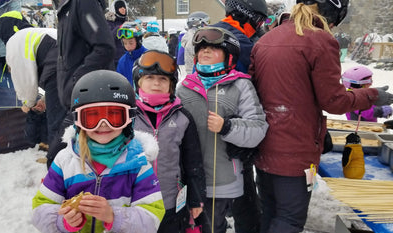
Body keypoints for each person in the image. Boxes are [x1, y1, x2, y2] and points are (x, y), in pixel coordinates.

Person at [249, 1, 393, 232]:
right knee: (289, 219)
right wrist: (371, 95)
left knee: (270, 212)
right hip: (294, 150)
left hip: (265, 145)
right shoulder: (320, 40)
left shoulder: (267, 39)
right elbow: (334, 101)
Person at [31, 70, 165, 233]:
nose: (103, 124)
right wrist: (65, 222)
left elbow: (152, 218)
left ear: (129, 119)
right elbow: (40, 210)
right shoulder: (65, 161)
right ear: (78, 122)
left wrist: (113, 216)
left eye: (114, 116)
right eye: (92, 117)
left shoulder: (137, 163)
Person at [177, 26, 268, 233]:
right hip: (186, 181)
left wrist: (227, 127)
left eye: (213, 48)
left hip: (221, 182)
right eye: (201, 49)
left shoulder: (240, 86)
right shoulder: (184, 87)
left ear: (228, 56)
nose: (205, 51)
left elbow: (258, 128)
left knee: (211, 228)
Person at [132, 50, 206, 232]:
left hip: (171, 202)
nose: (156, 83)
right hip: (135, 201)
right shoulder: (128, 115)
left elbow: (192, 162)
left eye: (163, 79)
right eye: (149, 77)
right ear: (139, 81)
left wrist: (195, 198)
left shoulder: (182, 117)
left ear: (171, 85)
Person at [48, 0, 115, 169]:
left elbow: (104, 47)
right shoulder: (65, 9)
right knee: (68, 162)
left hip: (87, 99)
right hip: (74, 100)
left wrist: (76, 81)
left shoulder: (84, 3)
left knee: (56, 158)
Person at [0, 11, 67, 154]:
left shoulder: (15, 40)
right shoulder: (35, 33)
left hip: (60, 68)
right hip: (74, 65)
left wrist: (28, 102)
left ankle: (57, 166)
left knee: (57, 124)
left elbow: (25, 76)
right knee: (70, 116)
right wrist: (46, 99)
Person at [105, 0, 128, 67]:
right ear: (115, 9)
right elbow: (109, 37)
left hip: (126, 57)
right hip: (114, 59)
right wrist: (120, 28)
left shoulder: (127, 21)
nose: (123, 9)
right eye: (120, 7)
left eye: (124, 7)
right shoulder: (109, 22)